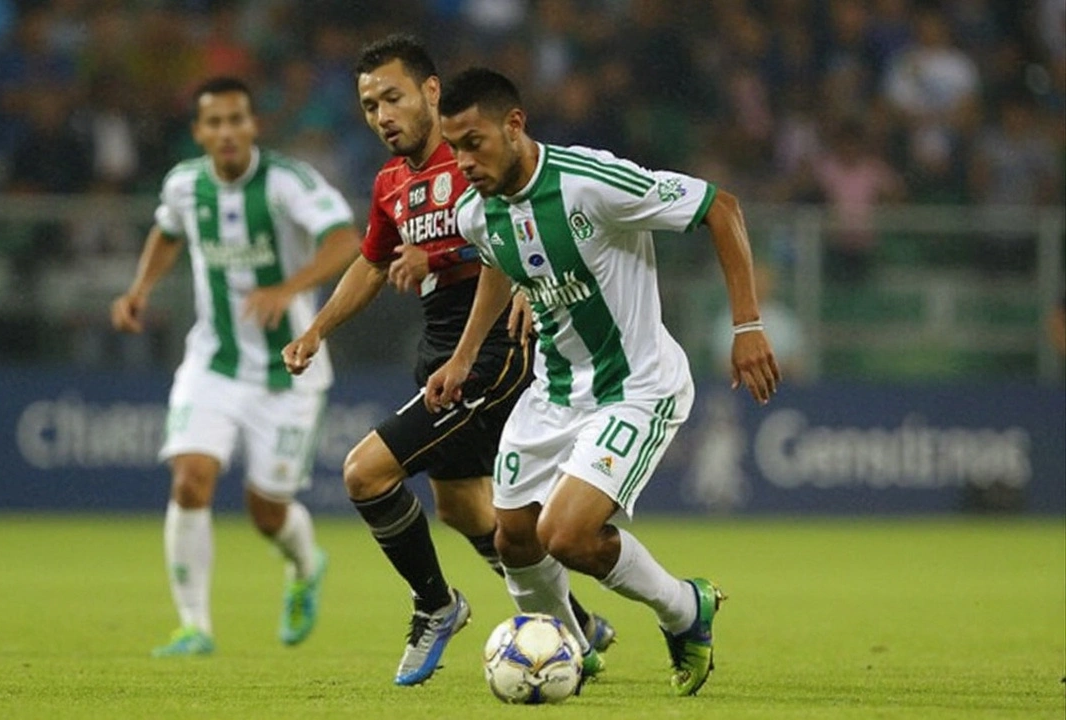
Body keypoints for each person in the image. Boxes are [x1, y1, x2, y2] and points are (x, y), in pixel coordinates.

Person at [425, 68, 780, 696]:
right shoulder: (475, 211)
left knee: (565, 535)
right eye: (453, 146)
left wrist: (747, 324)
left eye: (473, 141)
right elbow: (497, 267)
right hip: (552, 391)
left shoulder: (590, 182)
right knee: (512, 536)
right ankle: (572, 648)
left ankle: (684, 609)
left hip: (635, 387)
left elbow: (720, 208)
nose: (463, 160)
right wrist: (463, 356)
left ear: (515, 125)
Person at [281, 35, 614, 686]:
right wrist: (317, 328)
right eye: (371, 104)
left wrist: (435, 260)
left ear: (432, 92)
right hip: (437, 352)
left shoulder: (478, 160)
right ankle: (575, 619)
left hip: (491, 352)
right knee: (467, 511)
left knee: (365, 473)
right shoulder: (389, 184)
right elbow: (375, 262)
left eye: (394, 97)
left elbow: (517, 228)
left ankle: (437, 605)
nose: (382, 115)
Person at [111, 77, 361, 657]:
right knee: (190, 477)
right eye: (213, 123)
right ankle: (194, 625)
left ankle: (304, 566)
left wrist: (288, 288)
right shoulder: (183, 185)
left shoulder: (286, 183)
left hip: (289, 368)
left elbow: (345, 240)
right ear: (199, 132)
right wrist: (140, 289)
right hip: (214, 361)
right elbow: (167, 232)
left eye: (235, 120)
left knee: (267, 510)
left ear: (253, 126)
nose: (225, 132)